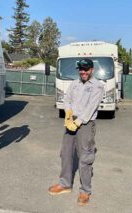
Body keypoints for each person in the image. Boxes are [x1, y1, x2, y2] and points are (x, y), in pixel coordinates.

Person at [48, 58, 105, 206]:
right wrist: (68, 114)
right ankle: (65, 184)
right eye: (81, 69)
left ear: (92, 70)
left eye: (86, 69)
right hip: (70, 122)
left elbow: (91, 107)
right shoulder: (74, 84)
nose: (83, 72)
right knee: (65, 153)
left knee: (85, 157)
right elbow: (67, 100)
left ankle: (85, 190)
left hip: (85, 124)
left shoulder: (97, 86)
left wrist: (78, 122)